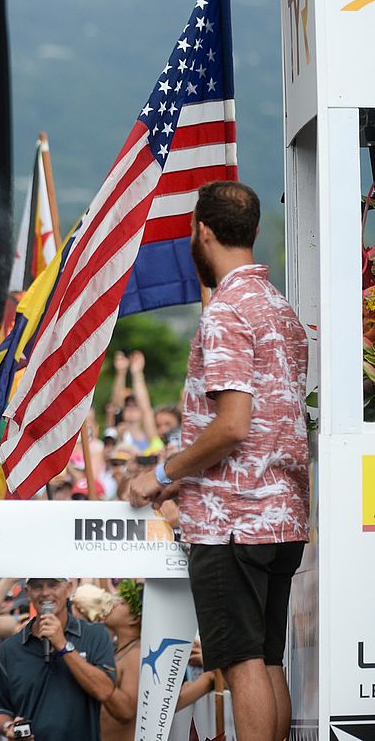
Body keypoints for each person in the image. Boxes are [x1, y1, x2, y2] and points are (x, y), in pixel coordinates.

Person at [128, 181, 309, 741]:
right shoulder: (282, 309)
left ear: (201, 231)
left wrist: (161, 472)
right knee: (267, 658)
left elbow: (232, 425)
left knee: (239, 661)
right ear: (253, 231)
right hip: (284, 513)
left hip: (234, 519)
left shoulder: (227, 310)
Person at [0, 578, 116, 741]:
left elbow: (104, 691)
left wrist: (63, 645)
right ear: (27, 592)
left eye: (53, 585)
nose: (46, 593)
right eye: (38, 587)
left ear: (69, 588)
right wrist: (10, 727)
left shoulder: (95, 635)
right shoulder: (9, 649)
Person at [89, 581, 216, 741]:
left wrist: (207, 679)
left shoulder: (136, 655)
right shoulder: (124, 651)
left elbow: (129, 710)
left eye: (121, 603)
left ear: (135, 618)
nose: (113, 605)